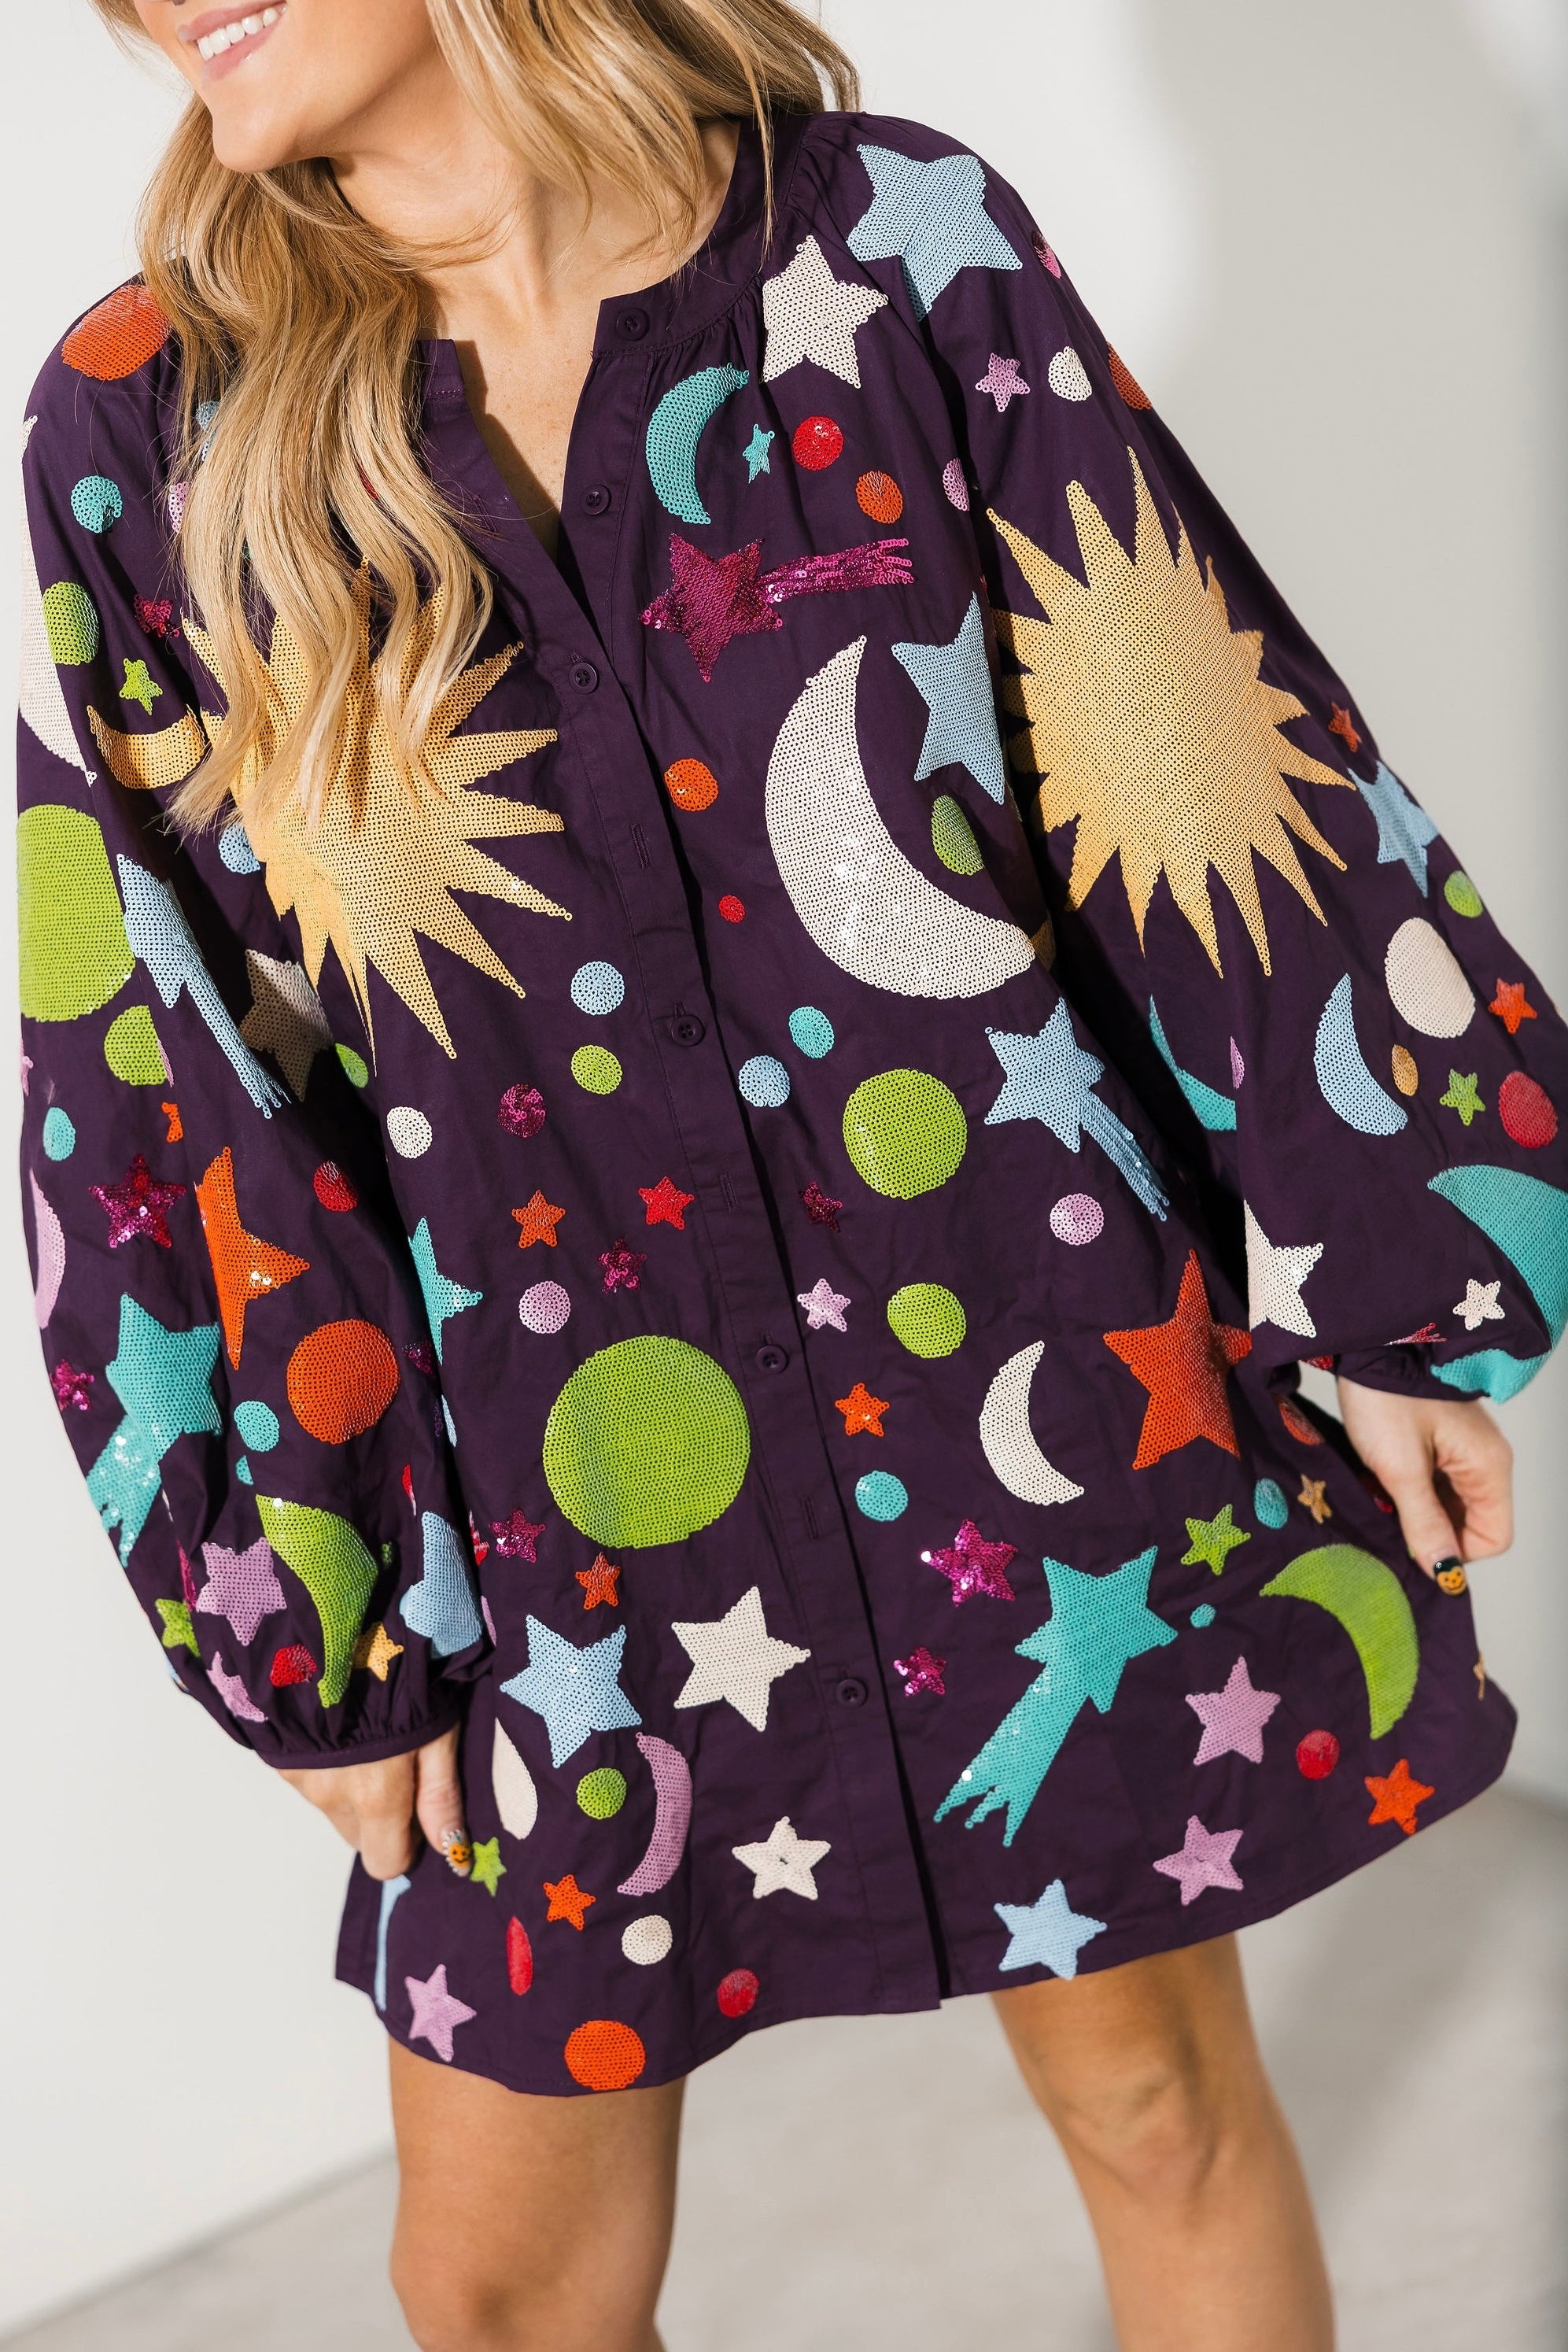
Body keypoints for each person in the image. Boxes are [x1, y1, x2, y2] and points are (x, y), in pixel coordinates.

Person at [19, 0, 1566, 2343]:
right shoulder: (150, 420)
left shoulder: (891, 250)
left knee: (1155, 2108)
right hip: (553, 1519)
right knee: (502, 2288)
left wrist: (1401, 1272)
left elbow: (1173, 714)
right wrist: (314, 1590)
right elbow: (162, 1056)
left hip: (1037, 1400)